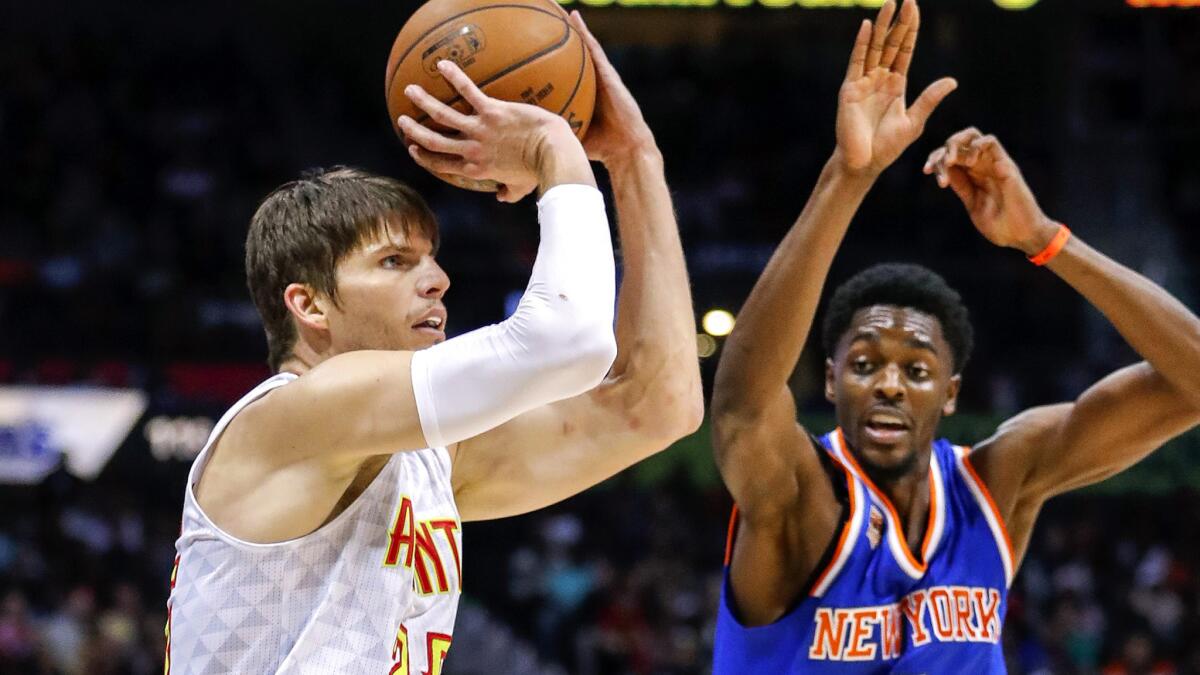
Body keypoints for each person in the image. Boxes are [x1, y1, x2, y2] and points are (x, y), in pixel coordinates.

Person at [164, 13, 702, 674]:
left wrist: (634, 160)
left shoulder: (425, 461)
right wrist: (554, 148)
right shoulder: (295, 415)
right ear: (308, 304)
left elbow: (659, 404)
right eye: (395, 262)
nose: (438, 280)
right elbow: (567, 339)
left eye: (431, 258)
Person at [709, 0, 1200, 671]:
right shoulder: (803, 499)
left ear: (951, 392)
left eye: (916, 368)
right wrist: (847, 179)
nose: (887, 381)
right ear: (829, 380)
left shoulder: (996, 481)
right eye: (863, 363)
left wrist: (1046, 239)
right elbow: (740, 407)